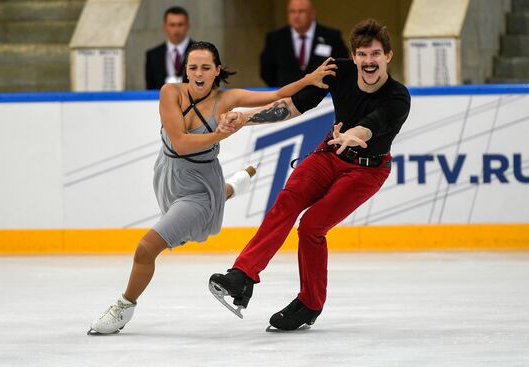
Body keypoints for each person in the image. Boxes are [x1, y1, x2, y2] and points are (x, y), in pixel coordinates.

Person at [88, 41, 336, 335]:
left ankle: (123, 307)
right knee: (205, 203)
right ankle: (232, 186)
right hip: (167, 174)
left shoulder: (227, 99)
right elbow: (179, 144)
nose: (199, 73)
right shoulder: (170, 93)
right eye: (193, 67)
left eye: (206, 67)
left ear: (217, 70)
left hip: (199, 187)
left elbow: (277, 95)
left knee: (146, 249)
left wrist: (308, 80)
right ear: (186, 70)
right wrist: (218, 134)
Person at [210, 18, 411, 331]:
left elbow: (374, 122)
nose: (368, 62)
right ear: (354, 55)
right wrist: (245, 120)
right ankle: (242, 276)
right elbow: (293, 106)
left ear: (388, 56)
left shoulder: (398, 97)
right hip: (329, 154)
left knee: (313, 225)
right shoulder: (337, 71)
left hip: (366, 171)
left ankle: (310, 303)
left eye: (375, 54)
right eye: (362, 54)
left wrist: (354, 134)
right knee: (287, 200)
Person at [260, 0, 350, 87]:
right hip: (286, 94)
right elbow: (267, 71)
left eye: (301, 11)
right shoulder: (275, 38)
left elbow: (342, 66)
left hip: (323, 95)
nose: (296, 16)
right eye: (292, 11)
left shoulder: (331, 36)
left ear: (312, 13)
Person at [145, 6, 194, 90]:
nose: (176, 29)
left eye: (180, 25)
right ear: (164, 26)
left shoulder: (201, 52)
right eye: (172, 25)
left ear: (188, 26)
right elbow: (150, 89)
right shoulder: (153, 55)